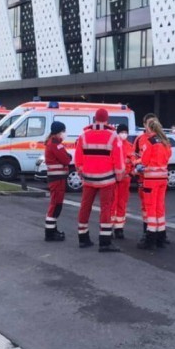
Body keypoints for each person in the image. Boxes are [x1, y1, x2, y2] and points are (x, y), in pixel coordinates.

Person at [74, 108, 125, 252]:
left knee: (85, 206)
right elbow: (119, 160)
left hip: (89, 178)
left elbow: (77, 159)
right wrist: (119, 176)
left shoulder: (84, 135)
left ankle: (83, 238)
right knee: (106, 209)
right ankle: (105, 242)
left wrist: (81, 172)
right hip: (107, 179)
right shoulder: (113, 136)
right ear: (107, 119)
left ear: (95, 119)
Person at [136, 119, 173, 250]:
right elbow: (168, 157)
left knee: (150, 208)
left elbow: (144, 160)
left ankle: (150, 239)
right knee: (160, 208)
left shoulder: (150, 142)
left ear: (150, 128)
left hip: (151, 180)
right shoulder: (165, 142)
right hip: (163, 179)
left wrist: (138, 166)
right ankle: (161, 237)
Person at [44, 121, 70, 242]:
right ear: (59, 132)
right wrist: (68, 157)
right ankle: (50, 233)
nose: (64, 134)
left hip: (57, 179)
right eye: (63, 131)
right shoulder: (55, 144)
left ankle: (53, 229)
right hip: (57, 179)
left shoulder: (53, 143)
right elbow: (66, 159)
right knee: (55, 206)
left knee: (56, 205)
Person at [134, 113, 158, 235]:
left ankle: (158, 233)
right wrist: (138, 165)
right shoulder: (140, 139)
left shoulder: (160, 139)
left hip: (157, 180)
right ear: (144, 125)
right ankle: (147, 231)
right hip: (143, 179)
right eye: (149, 124)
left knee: (158, 206)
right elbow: (135, 156)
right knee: (146, 206)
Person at [113, 124, 136, 239]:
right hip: (114, 179)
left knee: (122, 203)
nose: (124, 134)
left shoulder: (129, 146)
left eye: (125, 132)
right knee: (112, 204)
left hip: (126, 178)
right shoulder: (114, 145)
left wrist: (131, 171)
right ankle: (109, 227)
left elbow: (133, 161)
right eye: (121, 132)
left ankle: (119, 228)